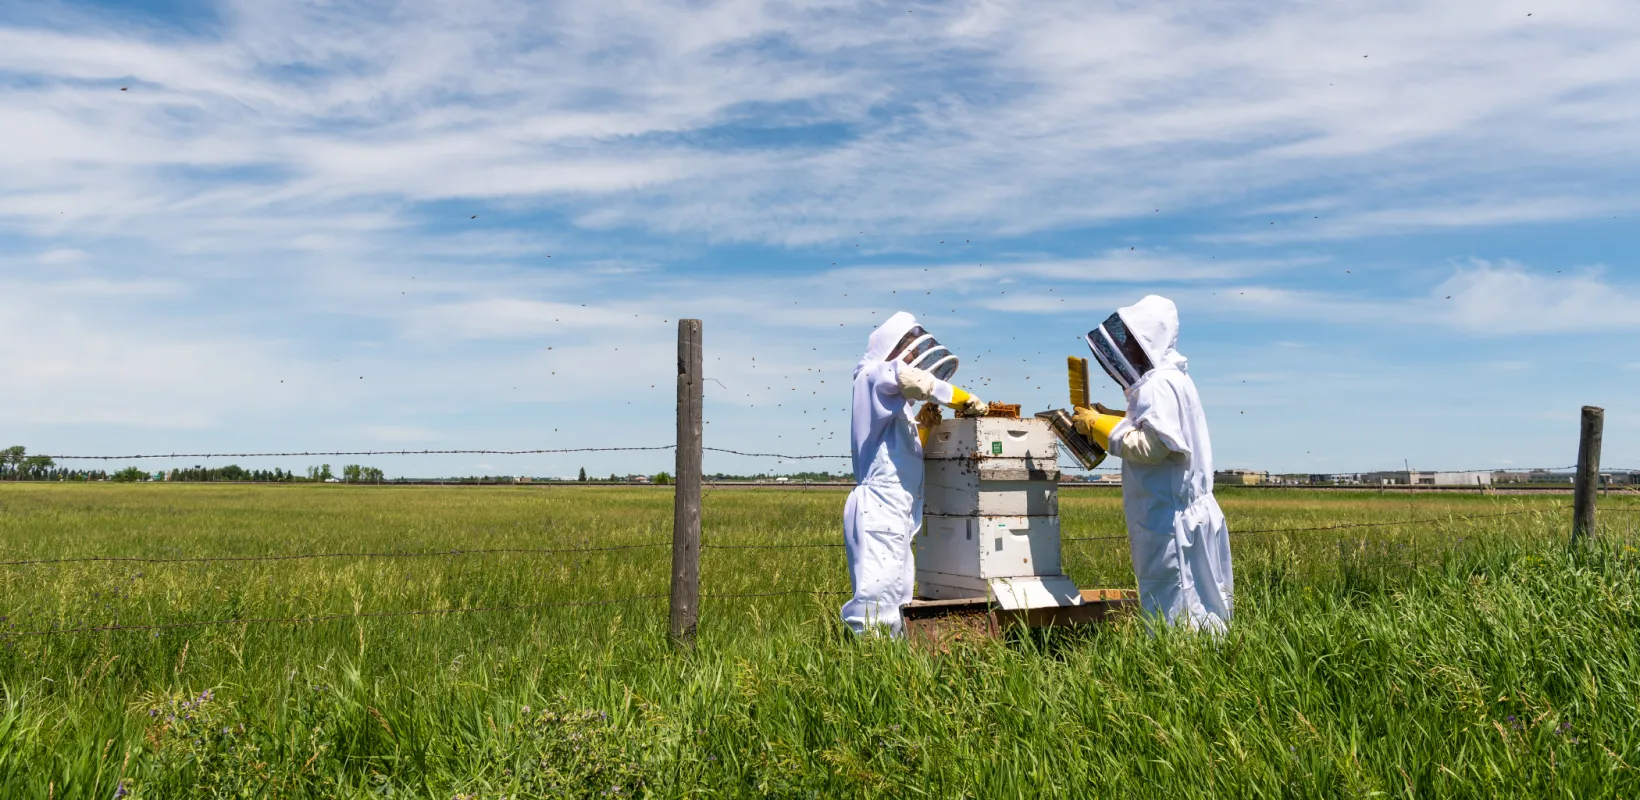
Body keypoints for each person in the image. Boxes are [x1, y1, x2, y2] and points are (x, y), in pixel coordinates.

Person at [1073, 295, 1234, 632]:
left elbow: (1153, 447)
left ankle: (1179, 667)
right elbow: (1160, 430)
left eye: (1130, 342)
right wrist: (1111, 417)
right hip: (1185, 510)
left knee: (1173, 602)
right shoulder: (1176, 380)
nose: (1126, 352)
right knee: (1205, 599)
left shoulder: (1158, 385)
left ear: (1146, 340)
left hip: (1169, 516)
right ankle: (1212, 661)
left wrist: (1098, 426)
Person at [842, 312, 988, 636]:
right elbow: (913, 380)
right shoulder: (871, 376)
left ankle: (891, 666)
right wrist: (962, 399)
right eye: (907, 350)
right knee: (875, 598)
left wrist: (923, 427)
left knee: (896, 595)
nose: (912, 360)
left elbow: (896, 457)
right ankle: (867, 665)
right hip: (879, 505)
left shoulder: (896, 406)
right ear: (893, 347)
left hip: (895, 509)